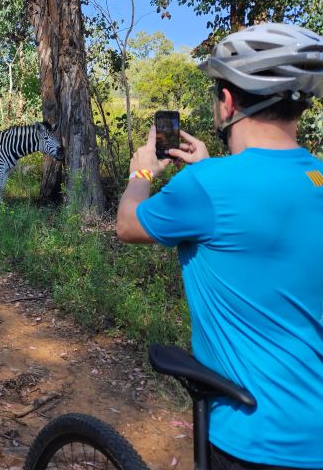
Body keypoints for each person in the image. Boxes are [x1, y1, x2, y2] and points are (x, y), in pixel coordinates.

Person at [116, 23, 323, 469]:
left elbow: (128, 226)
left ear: (227, 101)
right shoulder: (317, 177)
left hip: (254, 441)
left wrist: (142, 174)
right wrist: (212, 171)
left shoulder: (206, 186)